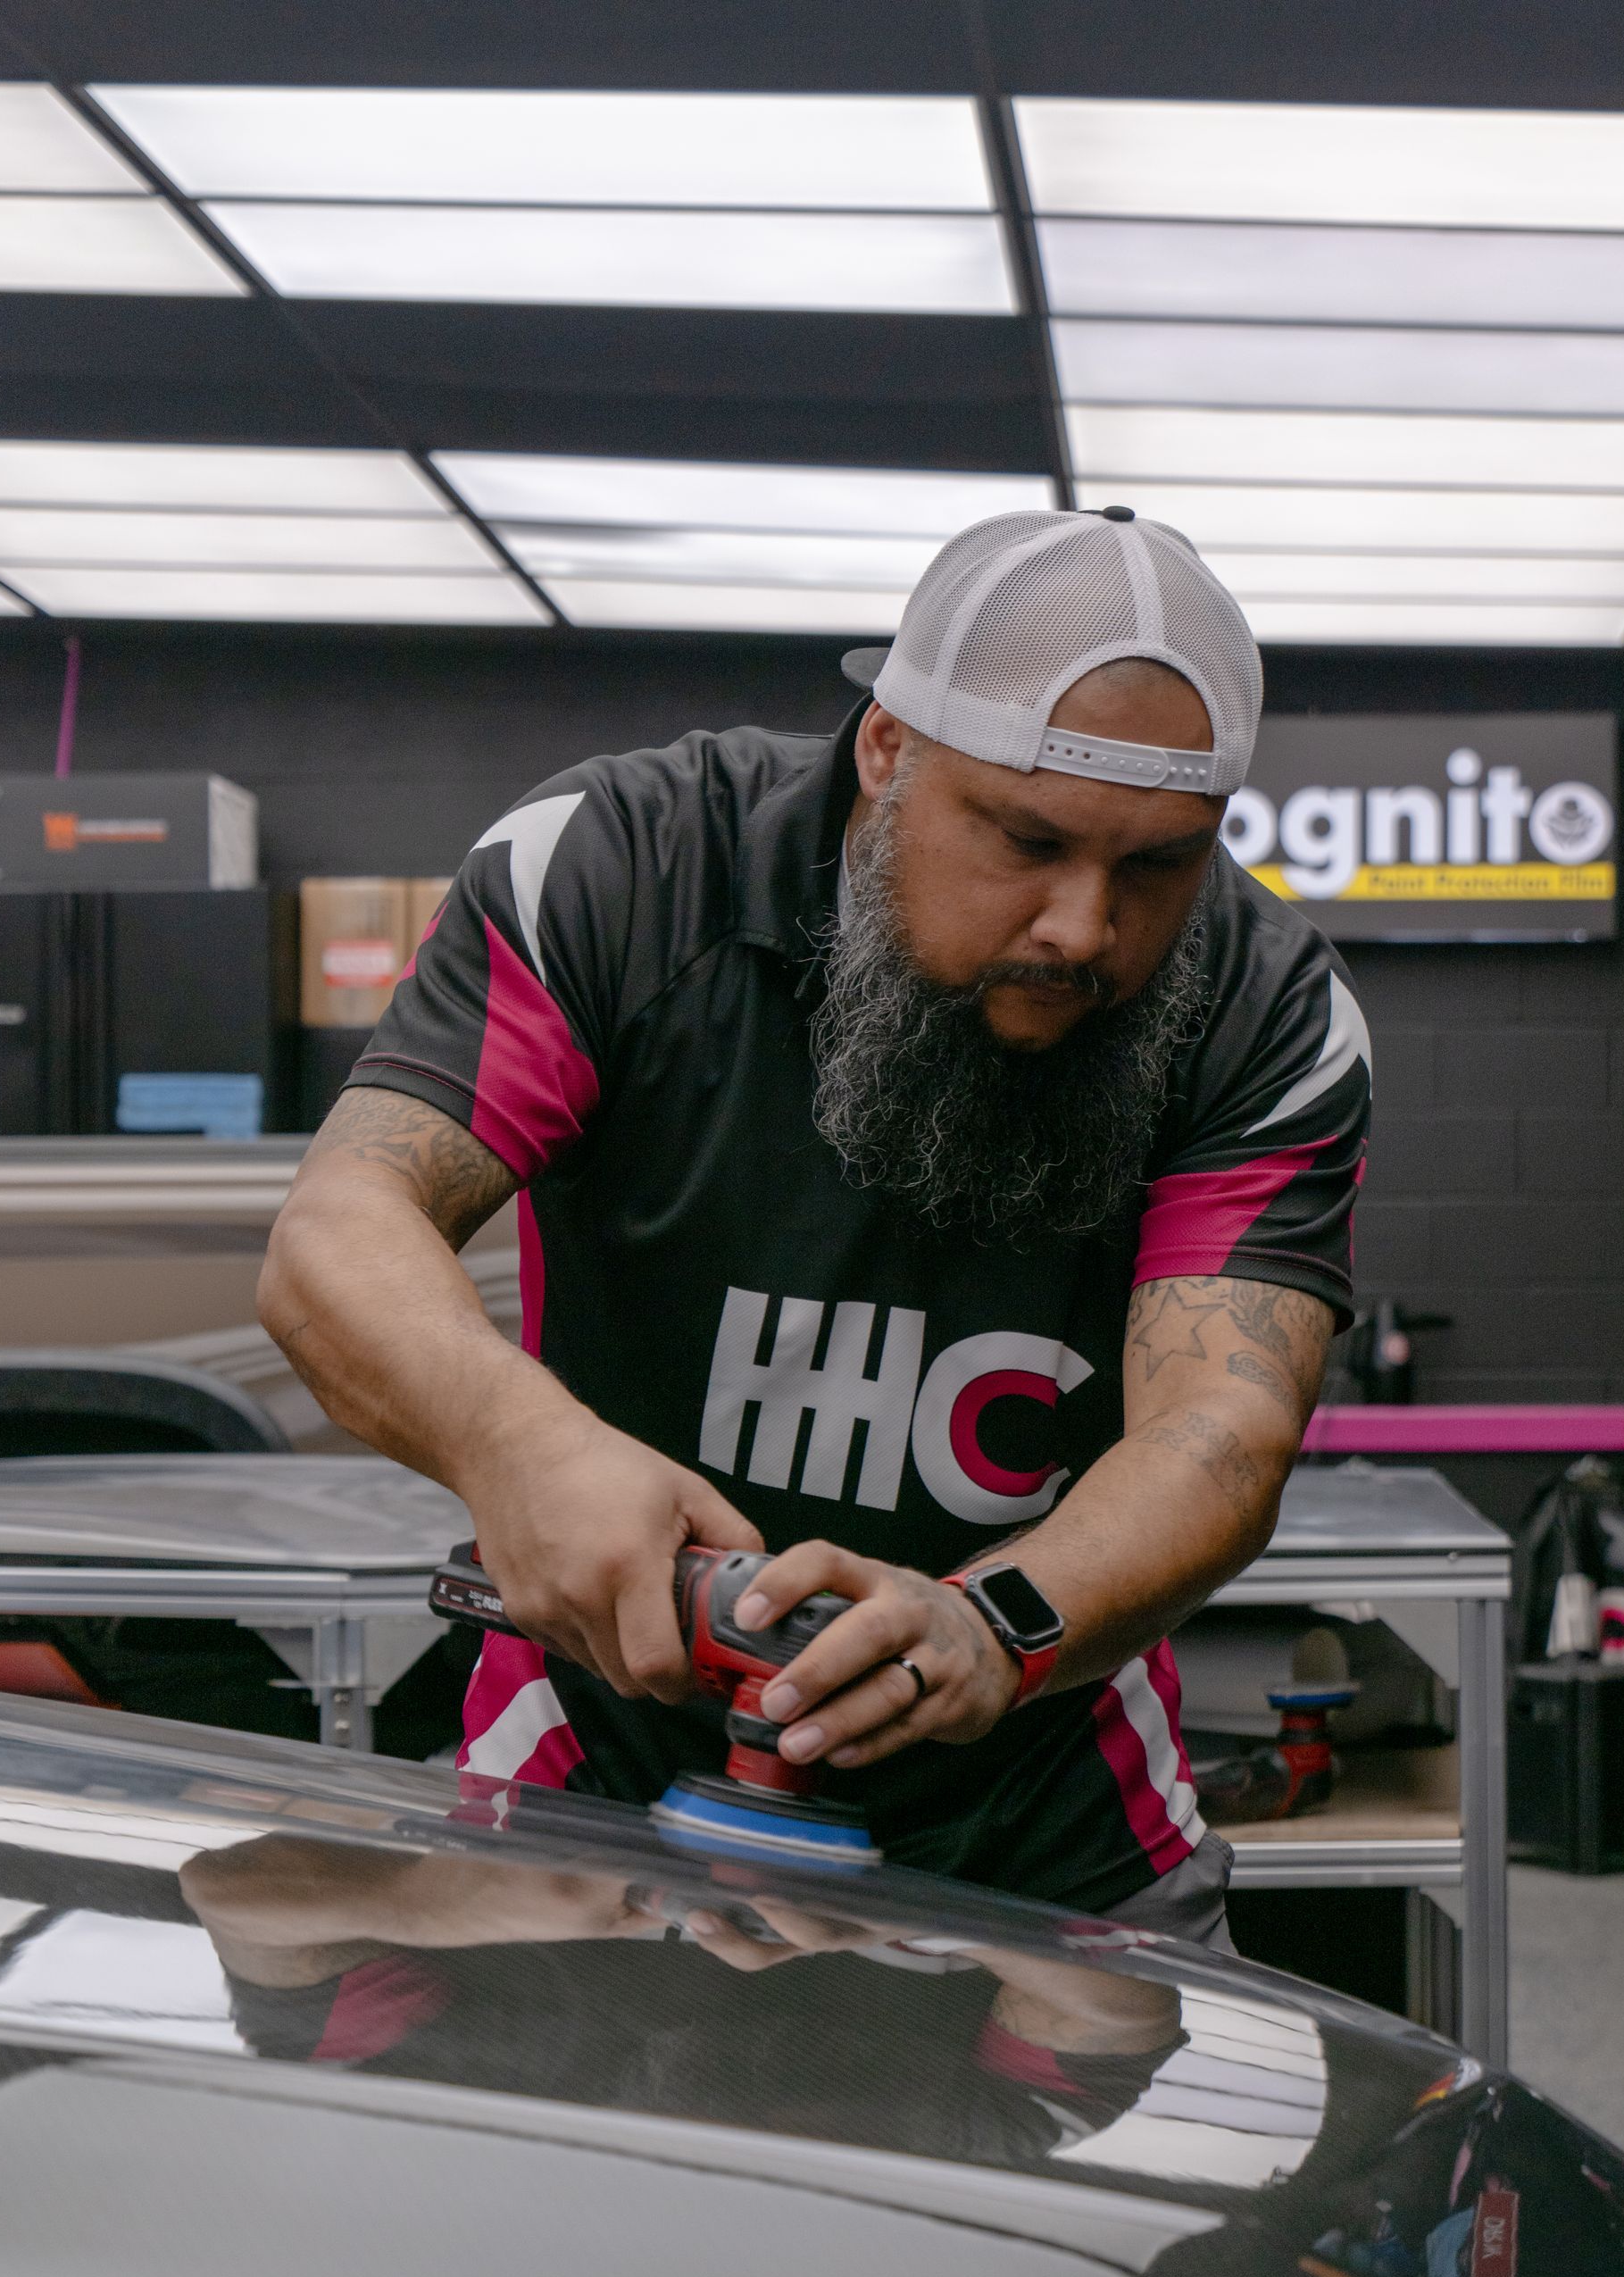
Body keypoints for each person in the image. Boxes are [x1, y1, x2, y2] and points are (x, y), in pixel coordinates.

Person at [260, 508, 1371, 1940]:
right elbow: (342, 1226)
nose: (1086, 928)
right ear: (888, 749)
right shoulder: (624, 869)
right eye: (1027, 839)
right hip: (596, 1775)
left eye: (1157, 864)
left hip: (1050, 1816)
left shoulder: (1265, 1009)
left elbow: (1220, 1430)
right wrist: (516, 1444)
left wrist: (991, 1626)